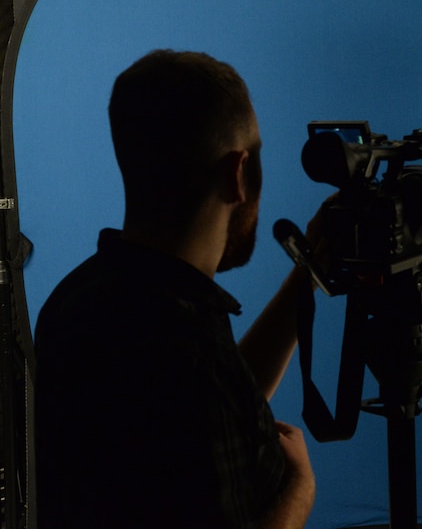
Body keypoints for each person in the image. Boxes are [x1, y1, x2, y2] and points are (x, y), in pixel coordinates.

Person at [34, 49, 316, 529]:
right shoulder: (187, 347)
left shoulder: (80, 299)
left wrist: (308, 273)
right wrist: (298, 490)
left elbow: (204, 412)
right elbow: (202, 387)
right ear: (237, 173)